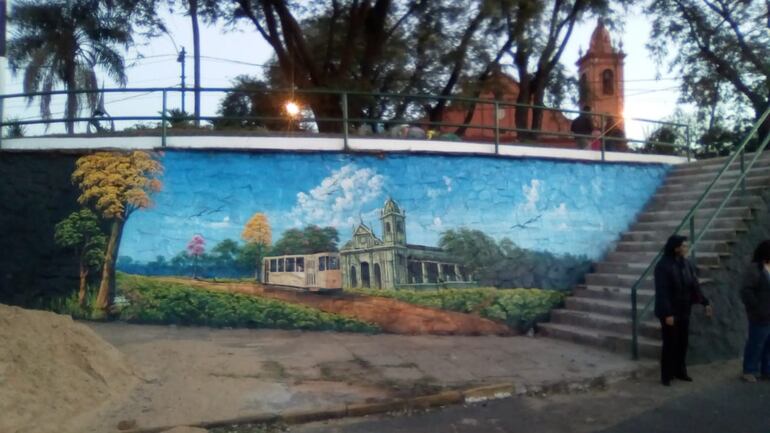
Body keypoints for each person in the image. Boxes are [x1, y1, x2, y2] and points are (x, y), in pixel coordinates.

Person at [654, 235, 713, 386]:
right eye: (684, 246)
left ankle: (680, 371)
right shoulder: (663, 266)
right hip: (670, 312)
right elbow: (662, 291)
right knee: (670, 343)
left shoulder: (686, 264)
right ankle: (666, 375)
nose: (687, 249)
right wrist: (667, 313)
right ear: (676, 248)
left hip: (684, 309)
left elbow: (694, 286)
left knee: (682, 342)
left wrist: (705, 302)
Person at [740, 240, 770, 382]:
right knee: (756, 343)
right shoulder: (755, 269)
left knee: (768, 344)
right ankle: (749, 370)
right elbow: (746, 291)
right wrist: (757, 308)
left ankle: (767, 370)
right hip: (760, 314)